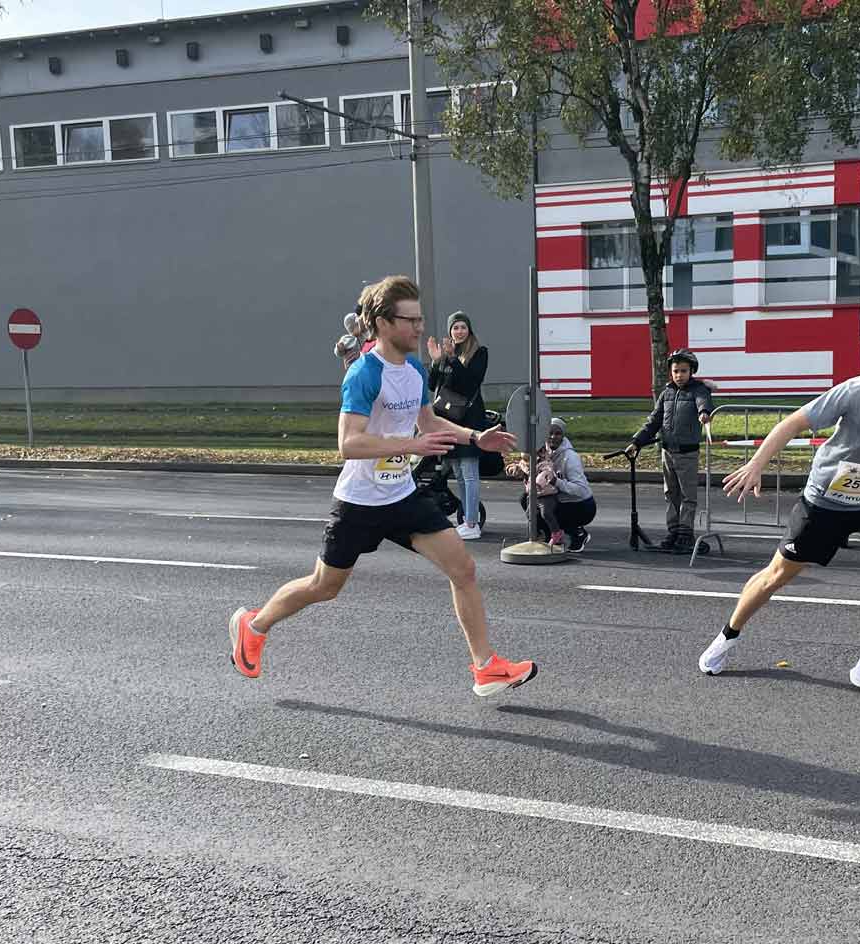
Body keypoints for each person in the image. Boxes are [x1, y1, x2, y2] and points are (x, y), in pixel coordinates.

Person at [229, 275, 536, 698]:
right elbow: (348, 443)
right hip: (358, 502)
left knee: (462, 567)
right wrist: (410, 443)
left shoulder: (412, 368)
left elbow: (428, 422)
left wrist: (475, 436)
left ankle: (486, 668)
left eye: (421, 318)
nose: (420, 328)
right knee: (325, 587)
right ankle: (254, 625)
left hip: (400, 495)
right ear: (383, 323)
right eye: (410, 320)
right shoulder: (363, 374)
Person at [697, 317, 860, 699]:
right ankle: (728, 635)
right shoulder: (854, 392)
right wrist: (756, 464)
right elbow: (792, 424)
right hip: (826, 500)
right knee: (775, 577)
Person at [623, 349, 713, 553]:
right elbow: (653, 421)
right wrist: (636, 441)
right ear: (670, 372)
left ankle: (686, 534)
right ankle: (673, 531)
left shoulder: (698, 390)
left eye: (683, 371)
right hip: (667, 452)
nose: (679, 375)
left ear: (692, 371)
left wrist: (704, 413)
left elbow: (703, 403)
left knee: (687, 495)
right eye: (676, 371)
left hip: (687, 453)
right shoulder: (666, 394)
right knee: (670, 493)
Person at [427, 311, 489, 541]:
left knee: (470, 473)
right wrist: (436, 361)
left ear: (469, 330)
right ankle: (466, 520)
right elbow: (433, 385)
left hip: (470, 420)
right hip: (450, 421)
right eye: (455, 328)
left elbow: (469, 382)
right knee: (460, 475)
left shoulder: (480, 352)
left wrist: (452, 359)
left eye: (463, 327)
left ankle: (472, 523)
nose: (459, 331)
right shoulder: (447, 354)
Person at [516, 418, 596, 552]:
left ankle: (578, 534)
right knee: (526, 499)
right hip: (556, 497)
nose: (553, 437)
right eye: (550, 433)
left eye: (558, 433)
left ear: (563, 435)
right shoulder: (542, 451)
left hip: (581, 505)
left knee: (546, 510)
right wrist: (522, 471)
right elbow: (529, 467)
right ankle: (548, 535)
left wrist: (555, 481)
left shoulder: (570, 458)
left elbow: (581, 490)